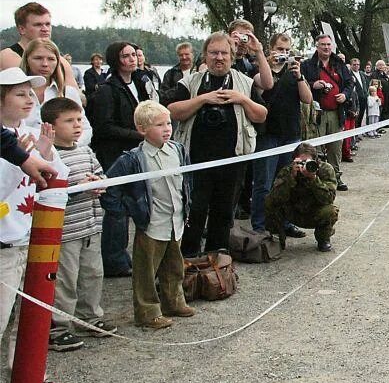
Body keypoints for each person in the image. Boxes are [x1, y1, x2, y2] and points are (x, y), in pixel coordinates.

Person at [167, 31, 267, 257]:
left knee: (223, 214)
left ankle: (217, 262)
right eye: (213, 53)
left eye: (224, 53)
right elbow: (170, 110)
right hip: (195, 162)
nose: (219, 57)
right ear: (204, 56)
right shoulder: (190, 82)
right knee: (194, 212)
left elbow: (261, 115)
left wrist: (241, 98)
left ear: (232, 56)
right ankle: (189, 260)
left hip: (233, 162)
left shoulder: (244, 82)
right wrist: (203, 99)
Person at [0, 67, 65, 383]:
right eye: (19, 93)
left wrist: (45, 152)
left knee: (29, 317)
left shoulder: (30, 133)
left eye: (30, 93)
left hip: (32, 237)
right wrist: (19, 160)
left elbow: (57, 177)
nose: (29, 99)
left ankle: (21, 376)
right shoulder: (8, 143)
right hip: (5, 243)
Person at [102, 101, 195, 330]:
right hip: (152, 223)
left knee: (174, 264)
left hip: (176, 219)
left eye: (168, 123)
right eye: (159, 125)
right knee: (146, 270)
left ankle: (174, 301)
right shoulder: (133, 159)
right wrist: (125, 210)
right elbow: (110, 188)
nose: (167, 129)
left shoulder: (178, 150)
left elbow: (187, 180)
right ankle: (147, 311)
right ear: (142, 129)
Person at [40, 97, 117, 351]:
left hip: (91, 226)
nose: (77, 125)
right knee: (65, 280)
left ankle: (90, 317)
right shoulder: (48, 158)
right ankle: (60, 326)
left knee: (93, 275)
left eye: (79, 120)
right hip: (66, 231)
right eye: (69, 121)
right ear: (50, 126)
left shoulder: (86, 151)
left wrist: (99, 182)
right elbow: (48, 192)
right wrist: (78, 189)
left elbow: (102, 174)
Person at [88, 41, 152, 277]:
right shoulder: (107, 89)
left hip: (134, 152)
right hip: (114, 155)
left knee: (131, 204)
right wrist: (138, 134)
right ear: (116, 60)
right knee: (116, 209)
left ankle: (123, 255)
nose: (132, 59)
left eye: (134, 55)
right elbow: (103, 127)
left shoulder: (138, 84)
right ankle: (114, 259)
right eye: (126, 56)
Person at [250, 33, 313, 236]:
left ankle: (284, 223)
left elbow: (308, 99)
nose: (283, 54)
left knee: (287, 181)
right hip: (268, 133)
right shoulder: (260, 70)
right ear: (271, 49)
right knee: (264, 183)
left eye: (287, 50)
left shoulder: (294, 72)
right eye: (279, 49)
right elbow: (264, 84)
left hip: (290, 133)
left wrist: (299, 76)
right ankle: (260, 225)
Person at [265, 143, 340, 252]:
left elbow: (328, 198)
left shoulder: (325, 169)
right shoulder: (288, 171)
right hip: (292, 212)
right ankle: (277, 238)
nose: (305, 165)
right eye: (301, 162)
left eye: (308, 162)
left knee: (331, 211)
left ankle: (323, 239)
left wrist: (314, 179)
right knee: (268, 201)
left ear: (315, 160)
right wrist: (291, 178)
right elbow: (275, 198)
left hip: (315, 212)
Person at [301, 33, 352, 190]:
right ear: (317, 46)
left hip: (336, 112)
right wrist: (313, 85)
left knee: (335, 148)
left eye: (329, 44)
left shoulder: (339, 64)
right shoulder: (308, 65)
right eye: (323, 44)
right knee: (314, 148)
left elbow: (350, 83)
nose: (326, 47)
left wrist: (345, 95)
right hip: (316, 114)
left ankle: (335, 177)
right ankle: (313, 177)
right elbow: (300, 84)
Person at [21, 38, 93, 147]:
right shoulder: (12, 93)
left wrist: (67, 146)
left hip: (64, 158)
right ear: (27, 60)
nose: (45, 64)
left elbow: (86, 129)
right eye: (38, 58)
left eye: (51, 59)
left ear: (57, 62)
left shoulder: (67, 93)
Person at [1, 2, 81, 93]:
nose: (45, 29)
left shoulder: (62, 62)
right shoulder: (8, 56)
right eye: (38, 25)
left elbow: (75, 96)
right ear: (22, 29)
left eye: (47, 24)